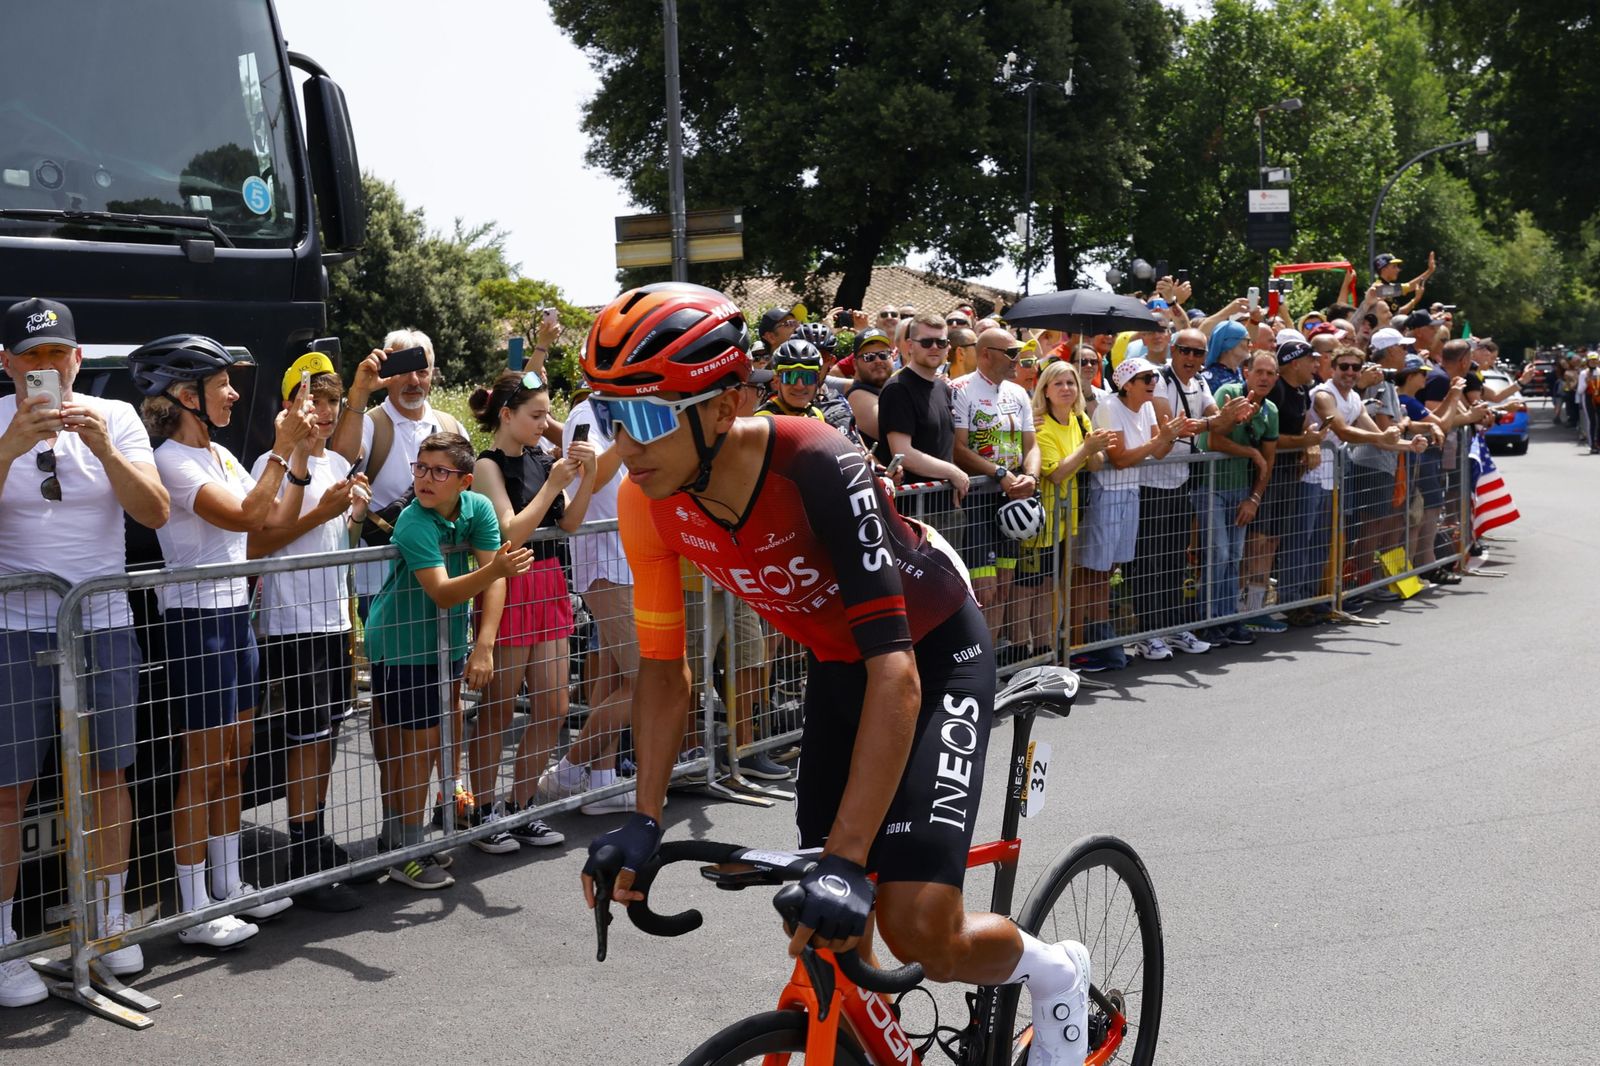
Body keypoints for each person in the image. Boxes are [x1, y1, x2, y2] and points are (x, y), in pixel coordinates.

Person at [578, 283, 1095, 1066]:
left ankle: (1056, 970)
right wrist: (645, 819)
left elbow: (898, 674)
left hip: (932, 654)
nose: (626, 444)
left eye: (649, 418)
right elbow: (662, 668)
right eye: (611, 417)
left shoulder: (819, 464)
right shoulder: (645, 502)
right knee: (817, 920)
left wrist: (851, 859)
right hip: (841, 667)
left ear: (725, 407)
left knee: (917, 927)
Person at [0, 299, 169, 1003]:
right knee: (7, 790)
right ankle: (4, 944)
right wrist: (9, 447)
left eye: (56, 354)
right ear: (7, 363)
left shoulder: (118, 417)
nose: (46, 368)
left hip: (102, 625)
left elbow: (155, 512)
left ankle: (107, 922)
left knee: (108, 774)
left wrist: (103, 448)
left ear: (77, 359)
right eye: (30, 356)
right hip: (14, 629)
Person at [132, 334, 311, 945]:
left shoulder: (221, 455)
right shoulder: (170, 460)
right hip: (197, 623)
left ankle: (228, 886)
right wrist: (280, 451)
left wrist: (298, 456)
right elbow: (243, 517)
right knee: (202, 766)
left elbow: (274, 520)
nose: (234, 394)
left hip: (235, 617)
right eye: (222, 385)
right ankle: (193, 909)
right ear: (188, 397)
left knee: (234, 759)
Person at [364, 432, 532, 889]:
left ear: (464, 481)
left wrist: (484, 645)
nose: (425, 478)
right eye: (420, 468)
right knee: (414, 750)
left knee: (430, 744)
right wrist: (494, 569)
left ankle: (402, 840)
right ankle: (406, 850)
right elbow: (443, 592)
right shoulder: (412, 520)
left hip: (445, 646)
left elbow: (494, 578)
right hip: (402, 647)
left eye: (439, 471)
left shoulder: (477, 507)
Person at [246, 353, 370, 912]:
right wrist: (323, 512)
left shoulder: (335, 463)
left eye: (330, 401)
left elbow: (338, 541)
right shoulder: (268, 464)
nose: (323, 411)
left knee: (326, 736)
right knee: (305, 739)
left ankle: (313, 839)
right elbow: (260, 543)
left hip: (333, 620)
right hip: (292, 622)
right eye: (311, 400)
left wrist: (355, 513)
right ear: (289, 406)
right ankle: (301, 857)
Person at [468, 371, 597, 848]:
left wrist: (588, 477)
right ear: (507, 415)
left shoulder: (544, 459)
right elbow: (510, 532)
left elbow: (570, 523)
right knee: (498, 707)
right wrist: (554, 482)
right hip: (508, 585)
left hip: (549, 584)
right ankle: (483, 812)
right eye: (537, 415)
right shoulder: (487, 465)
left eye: (547, 414)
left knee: (553, 706)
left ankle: (520, 807)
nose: (546, 424)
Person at [557, 395, 652, 816]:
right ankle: (567, 770)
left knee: (614, 679)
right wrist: (627, 435)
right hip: (605, 563)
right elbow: (590, 480)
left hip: (630, 559)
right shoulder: (586, 414)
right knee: (647, 679)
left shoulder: (625, 409)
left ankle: (602, 782)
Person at [1075, 358, 1185, 673]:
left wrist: (1170, 435)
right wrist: (1159, 439)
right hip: (1107, 494)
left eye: (1154, 377)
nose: (1153, 382)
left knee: (1110, 568)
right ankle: (1085, 641)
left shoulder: (1147, 407)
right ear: (1127, 384)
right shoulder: (1109, 407)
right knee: (1094, 571)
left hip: (1131, 492)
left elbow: (1159, 451)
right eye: (1146, 377)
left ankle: (1099, 635)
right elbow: (1120, 458)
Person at [950, 327, 1039, 655]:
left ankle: (989, 663)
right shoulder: (961, 389)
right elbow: (958, 449)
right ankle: (974, 662)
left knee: (1002, 587)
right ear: (986, 354)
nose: (1018, 359)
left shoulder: (1018, 393)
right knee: (983, 591)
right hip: (977, 499)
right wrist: (998, 473)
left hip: (1011, 497)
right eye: (1012, 353)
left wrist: (1031, 476)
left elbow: (1032, 446)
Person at [1029, 360, 1114, 655]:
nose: (1066, 388)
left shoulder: (1080, 419)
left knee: (1058, 585)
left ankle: (1053, 648)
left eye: (1071, 383)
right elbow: (1056, 473)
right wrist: (1087, 449)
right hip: (1042, 520)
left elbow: (1095, 465)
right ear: (1045, 390)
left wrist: (1095, 448)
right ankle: (1037, 649)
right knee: (1038, 589)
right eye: (1058, 383)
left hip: (1068, 517)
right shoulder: (1041, 425)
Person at [1198, 353, 1279, 646]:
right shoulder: (1228, 393)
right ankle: (1206, 620)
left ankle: (1228, 618)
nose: (1264, 378)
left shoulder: (1270, 410)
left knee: (1234, 556)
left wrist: (1254, 498)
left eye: (1270, 373)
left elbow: (1268, 461)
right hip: (1210, 485)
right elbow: (1212, 439)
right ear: (1247, 372)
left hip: (1241, 491)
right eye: (1259, 371)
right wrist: (1250, 452)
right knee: (1219, 553)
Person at [874, 313, 969, 540]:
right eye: (926, 342)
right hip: (913, 516)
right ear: (910, 346)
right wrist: (952, 472)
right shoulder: (898, 389)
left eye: (941, 342)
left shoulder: (942, 387)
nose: (934, 347)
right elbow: (903, 453)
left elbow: (944, 444)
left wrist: (953, 478)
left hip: (946, 508)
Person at [845, 328, 894, 452]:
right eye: (869, 357)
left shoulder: (895, 387)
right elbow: (898, 430)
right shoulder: (857, 396)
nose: (878, 361)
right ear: (855, 364)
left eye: (883, 355)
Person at [756, 340, 828, 421]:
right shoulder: (764, 419)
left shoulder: (816, 414)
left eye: (808, 377)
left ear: (817, 381)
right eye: (790, 377)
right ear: (776, 381)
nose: (799, 386)